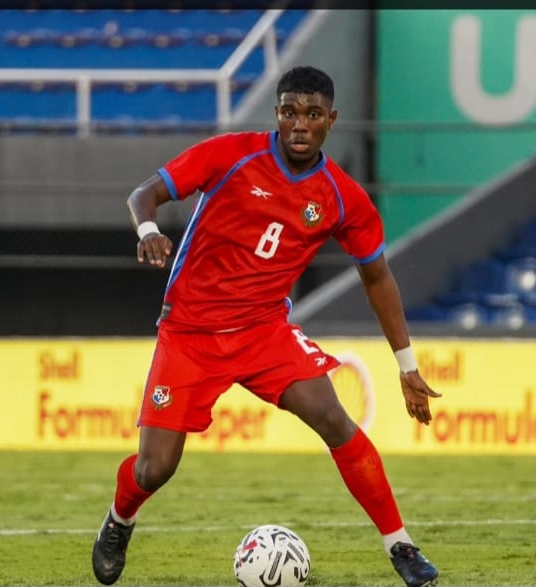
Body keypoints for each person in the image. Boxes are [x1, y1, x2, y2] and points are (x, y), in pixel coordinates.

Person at [91, 66, 441, 587]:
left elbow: (377, 278)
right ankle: (119, 521)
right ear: (276, 114)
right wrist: (147, 229)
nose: (300, 124)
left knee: (335, 419)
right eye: (290, 112)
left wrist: (406, 365)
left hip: (263, 331)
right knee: (154, 468)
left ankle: (402, 548)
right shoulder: (230, 155)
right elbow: (144, 194)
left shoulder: (343, 197)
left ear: (331, 120)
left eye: (313, 114)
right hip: (190, 331)